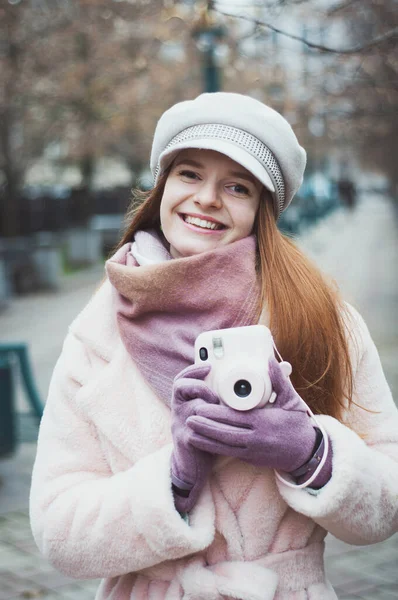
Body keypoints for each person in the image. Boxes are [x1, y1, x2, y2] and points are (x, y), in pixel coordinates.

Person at [30, 93, 398, 600]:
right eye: (189, 174)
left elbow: (388, 503)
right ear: (163, 186)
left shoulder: (319, 315)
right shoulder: (97, 329)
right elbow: (57, 530)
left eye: (237, 186)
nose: (206, 198)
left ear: (262, 210)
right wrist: (175, 479)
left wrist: (310, 453)